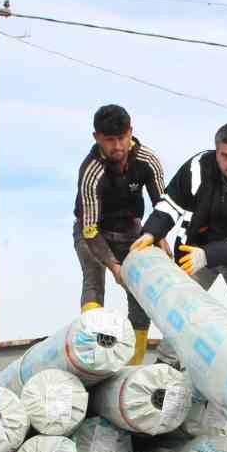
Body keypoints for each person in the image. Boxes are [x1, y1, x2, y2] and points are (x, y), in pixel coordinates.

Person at [131, 123, 227, 326]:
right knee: (179, 307)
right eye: (225, 156)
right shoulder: (198, 166)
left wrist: (207, 255)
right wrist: (151, 233)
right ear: (216, 151)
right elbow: (171, 202)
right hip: (198, 247)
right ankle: (169, 357)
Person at [73, 104, 167, 365]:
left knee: (139, 293)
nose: (117, 146)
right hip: (93, 231)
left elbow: (163, 205)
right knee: (94, 279)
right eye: (109, 140)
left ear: (130, 132)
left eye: (121, 138)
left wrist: (159, 236)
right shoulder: (91, 172)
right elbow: (89, 229)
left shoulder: (147, 160)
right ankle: (92, 356)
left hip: (131, 231)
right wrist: (114, 266)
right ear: (97, 138)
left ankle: (133, 367)